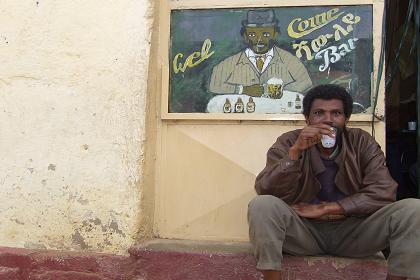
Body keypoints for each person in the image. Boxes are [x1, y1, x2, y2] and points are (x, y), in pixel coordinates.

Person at [247, 84, 420, 280]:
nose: (328, 119)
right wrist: (294, 153)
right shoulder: (289, 142)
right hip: (304, 232)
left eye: (336, 113)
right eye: (319, 113)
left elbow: (384, 192)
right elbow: (265, 188)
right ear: (307, 119)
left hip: (354, 232)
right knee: (261, 205)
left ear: (346, 119)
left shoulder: (362, 142)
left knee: (414, 209)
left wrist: (329, 208)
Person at [208, 9, 312, 97]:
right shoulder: (230, 63)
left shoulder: (290, 61)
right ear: (245, 36)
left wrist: (277, 89)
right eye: (252, 35)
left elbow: (306, 83)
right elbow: (214, 84)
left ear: (275, 34)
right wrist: (243, 90)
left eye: (266, 34)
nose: (259, 40)